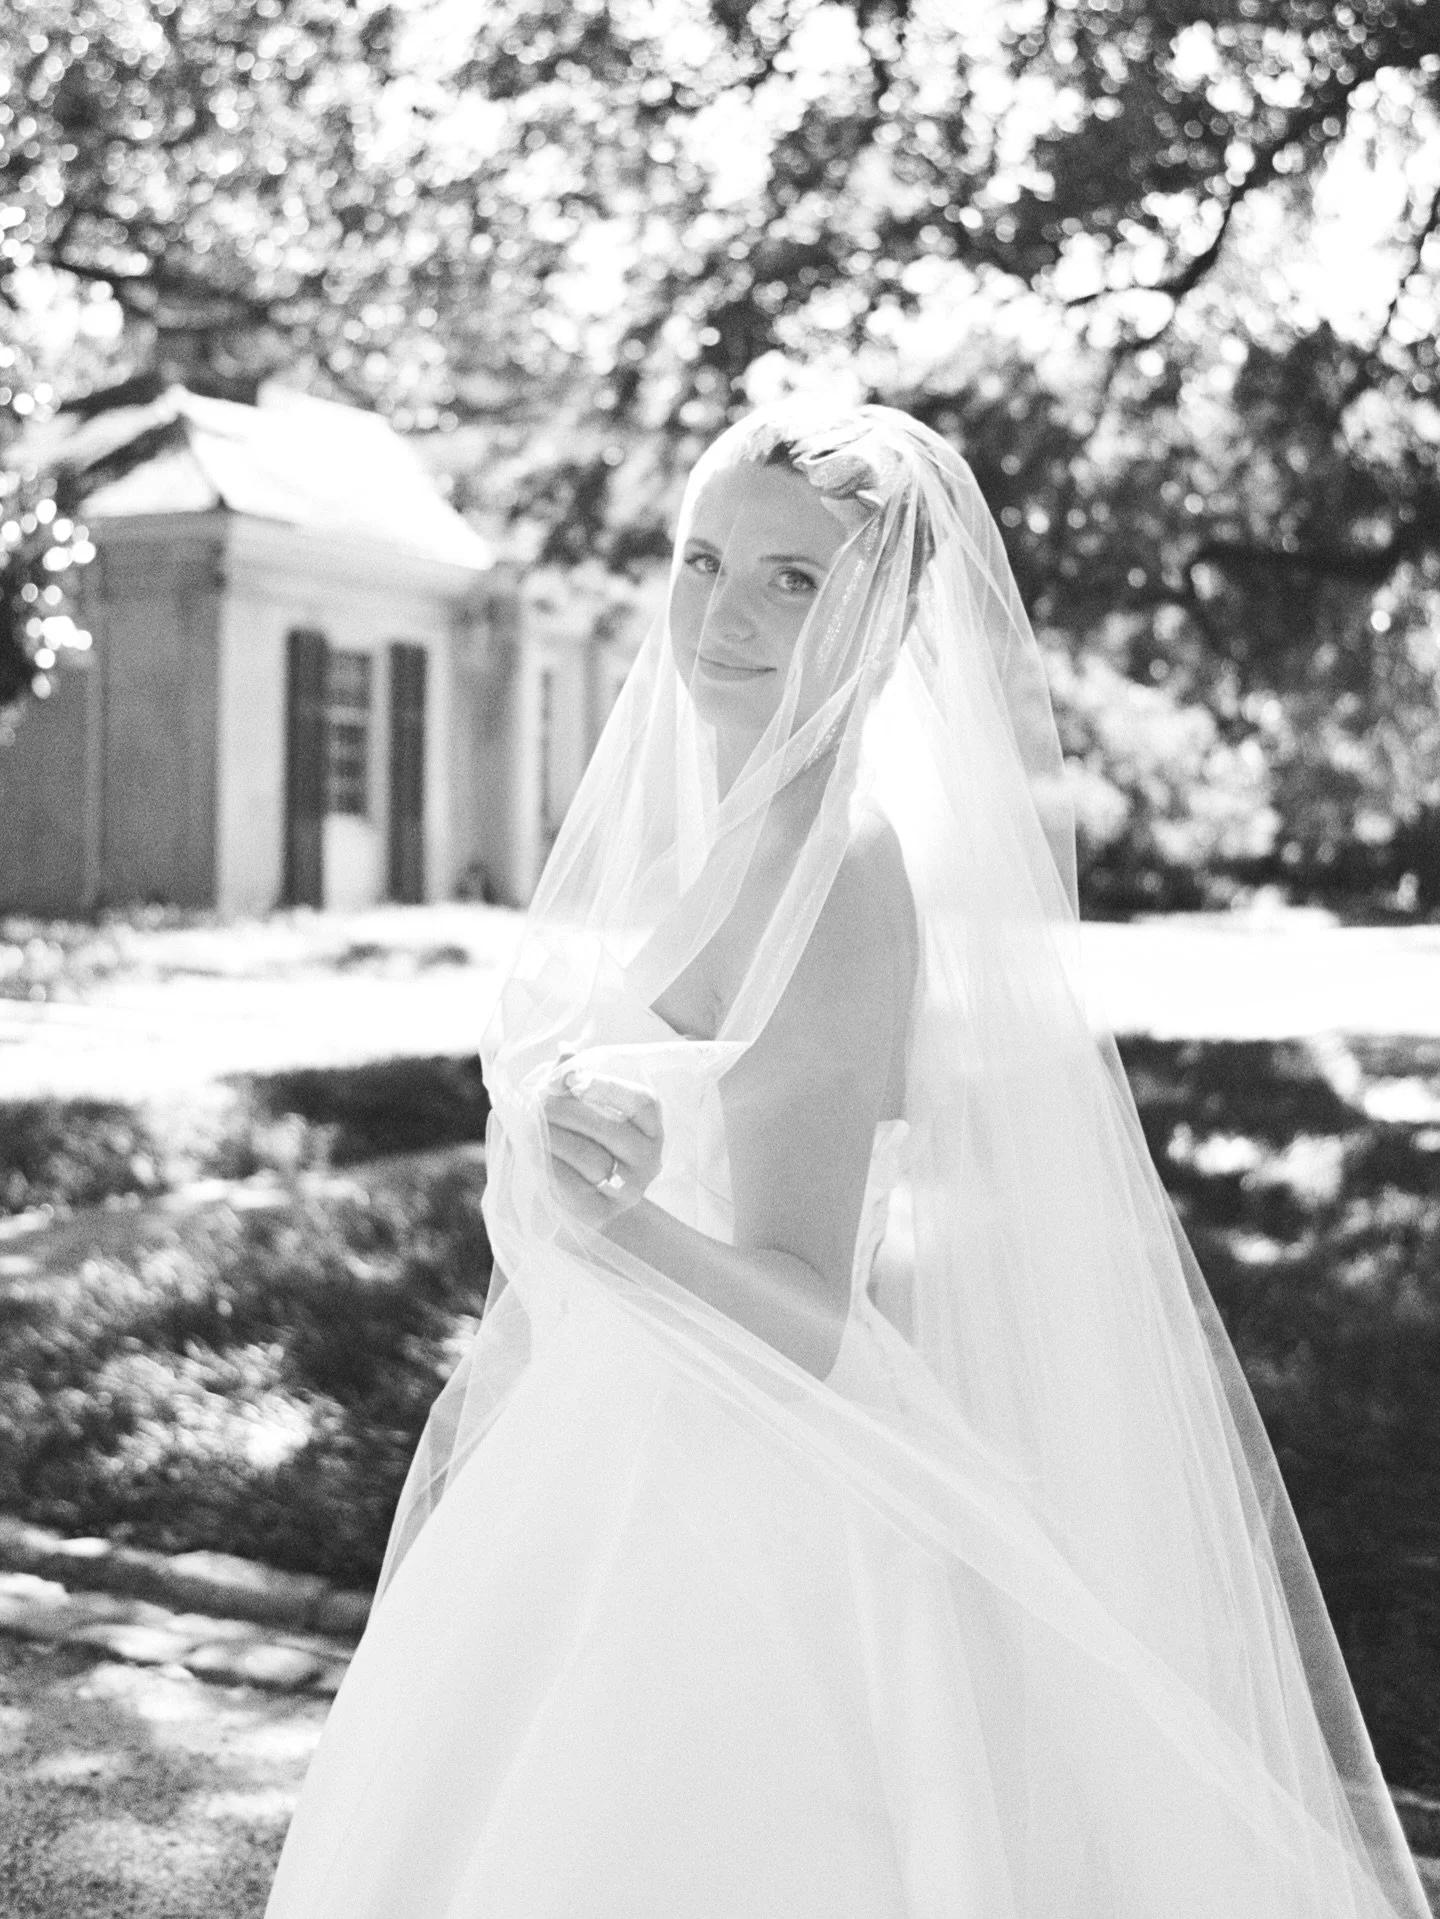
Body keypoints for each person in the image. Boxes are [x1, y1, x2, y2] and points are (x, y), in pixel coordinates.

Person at [265, 401, 1428, 1918]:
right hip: (625, 1432)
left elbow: (813, 1311)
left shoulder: (835, 868)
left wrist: (607, 1232)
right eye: (701, 559)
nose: (722, 611)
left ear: (882, 619)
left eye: (792, 578)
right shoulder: (742, 833)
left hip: (750, 1501)